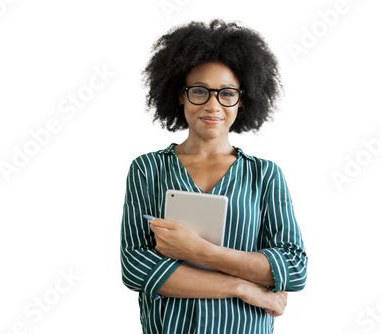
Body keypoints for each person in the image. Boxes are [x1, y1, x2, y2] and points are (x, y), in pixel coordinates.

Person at [121, 19, 308, 333]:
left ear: (242, 100)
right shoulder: (147, 169)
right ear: (180, 95)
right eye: (199, 91)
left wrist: (200, 251)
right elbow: (137, 268)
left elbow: (292, 268)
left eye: (226, 94)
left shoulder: (265, 175)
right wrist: (242, 287)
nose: (212, 105)